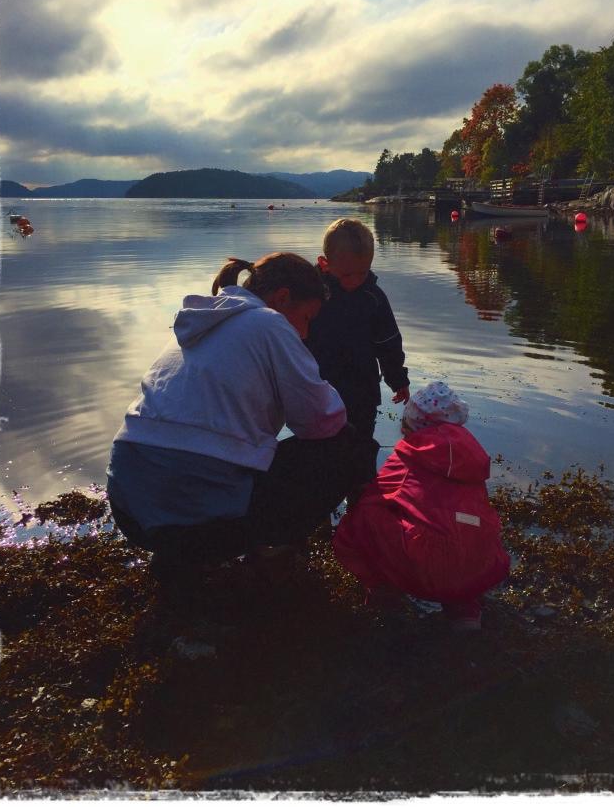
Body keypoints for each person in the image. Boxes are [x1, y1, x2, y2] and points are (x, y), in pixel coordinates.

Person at [106, 252, 376, 583]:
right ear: (282, 298)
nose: (305, 334)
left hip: (129, 508)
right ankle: (290, 548)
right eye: (306, 318)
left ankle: (184, 557)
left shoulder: (203, 321)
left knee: (249, 453)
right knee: (349, 444)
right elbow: (323, 421)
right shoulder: (269, 323)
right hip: (191, 519)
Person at [332, 381, 510, 630]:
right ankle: (465, 610)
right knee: (465, 527)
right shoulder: (471, 456)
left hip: (429, 568)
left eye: (405, 428)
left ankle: (384, 591)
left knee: (361, 517)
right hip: (482, 568)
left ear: (416, 427)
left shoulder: (409, 455)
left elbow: (377, 496)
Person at [306, 218, 410, 482]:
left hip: (361, 391)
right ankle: (320, 509)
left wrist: (398, 379)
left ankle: (362, 503)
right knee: (316, 457)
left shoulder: (373, 298)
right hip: (318, 390)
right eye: (347, 275)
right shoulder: (311, 295)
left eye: (362, 273)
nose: (355, 281)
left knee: (360, 451)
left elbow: (388, 343)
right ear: (324, 264)